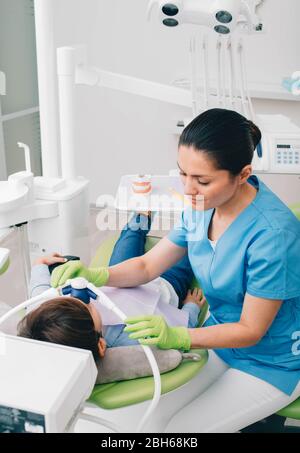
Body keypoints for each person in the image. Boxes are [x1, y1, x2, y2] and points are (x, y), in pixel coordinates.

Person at [51, 108, 300, 433]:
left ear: (242, 174)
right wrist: (96, 274)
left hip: (273, 360)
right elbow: (146, 265)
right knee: (144, 420)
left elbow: (252, 329)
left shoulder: (273, 236)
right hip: (219, 340)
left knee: (178, 435)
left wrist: (178, 336)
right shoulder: (201, 207)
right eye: (183, 174)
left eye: (202, 180)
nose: (188, 189)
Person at [18, 212, 206, 360]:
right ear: (101, 345)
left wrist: (41, 262)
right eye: (88, 304)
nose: (79, 293)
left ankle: (143, 212)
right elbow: (178, 332)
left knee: (129, 236)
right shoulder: (128, 338)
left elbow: (39, 286)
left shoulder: (43, 314)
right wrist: (192, 306)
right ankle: (201, 218)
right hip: (164, 285)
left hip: (117, 276)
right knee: (193, 241)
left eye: (69, 297)